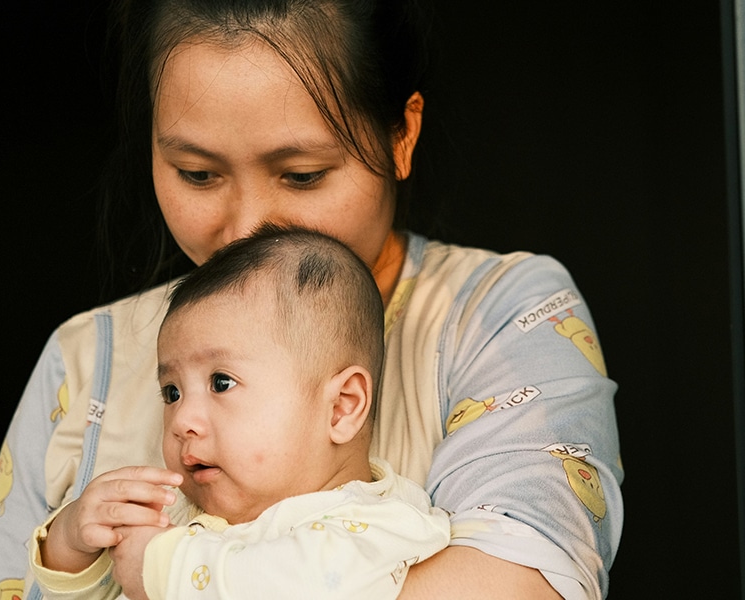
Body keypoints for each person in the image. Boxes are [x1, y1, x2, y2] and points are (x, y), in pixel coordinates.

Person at [0, 1, 623, 599]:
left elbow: (522, 585)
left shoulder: (501, 316)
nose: (246, 229)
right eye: (197, 173)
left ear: (402, 136)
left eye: (301, 176)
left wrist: (169, 570)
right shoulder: (85, 358)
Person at [26, 226, 451, 599]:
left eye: (221, 383)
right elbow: (116, 582)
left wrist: (160, 566)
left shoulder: (381, 523)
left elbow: (309, 588)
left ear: (341, 407)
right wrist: (73, 540)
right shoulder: (176, 510)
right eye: (171, 392)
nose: (182, 420)